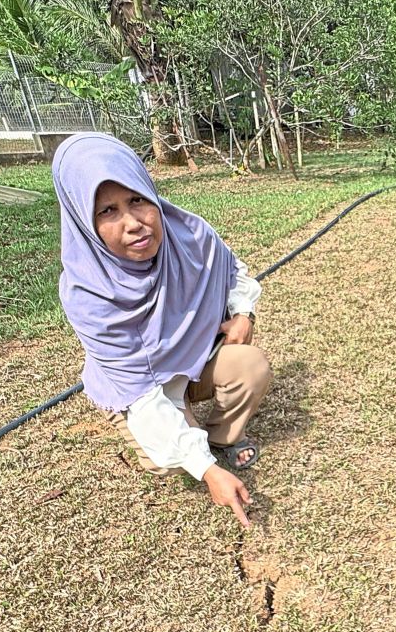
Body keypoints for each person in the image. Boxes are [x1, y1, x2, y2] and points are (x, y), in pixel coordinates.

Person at [55, 133, 271, 528]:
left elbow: (233, 272)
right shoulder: (87, 294)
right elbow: (144, 396)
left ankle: (219, 438)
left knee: (250, 367)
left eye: (137, 199)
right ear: (84, 220)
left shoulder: (188, 234)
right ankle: (196, 446)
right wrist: (204, 470)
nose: (134, 223)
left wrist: (244, 315)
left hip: (197, 358)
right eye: (107, 211)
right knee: (162, 459)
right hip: (141, 389)